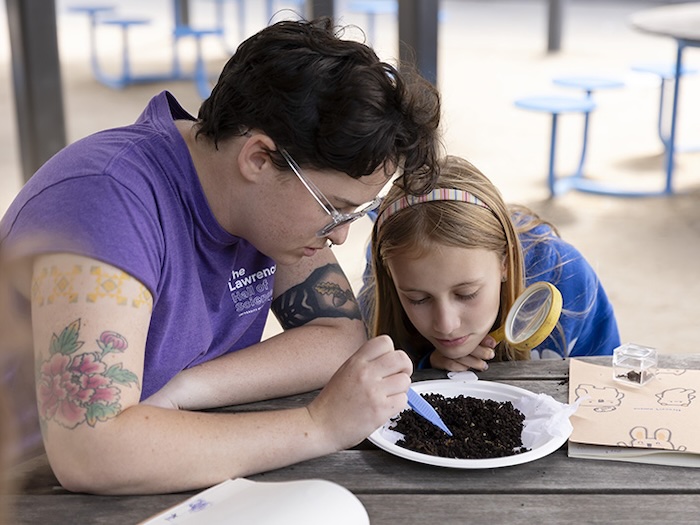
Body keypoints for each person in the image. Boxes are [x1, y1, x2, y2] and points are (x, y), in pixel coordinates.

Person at [0, 17, 441, 495]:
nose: (342, 236)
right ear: (257, 158)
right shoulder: (105, 202)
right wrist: (319, 425)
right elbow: (91, 452)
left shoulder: (259, 207)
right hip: (27, 486)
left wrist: (184, 389)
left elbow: (337, 335)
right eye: (334, 209)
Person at [360, 155, 620, 372]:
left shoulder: (565, 275)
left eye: (467, 293)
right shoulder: (380, 288)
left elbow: (608, 383)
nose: (446, 325)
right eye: (418, 299)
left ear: (505, 261)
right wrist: (428, 368)